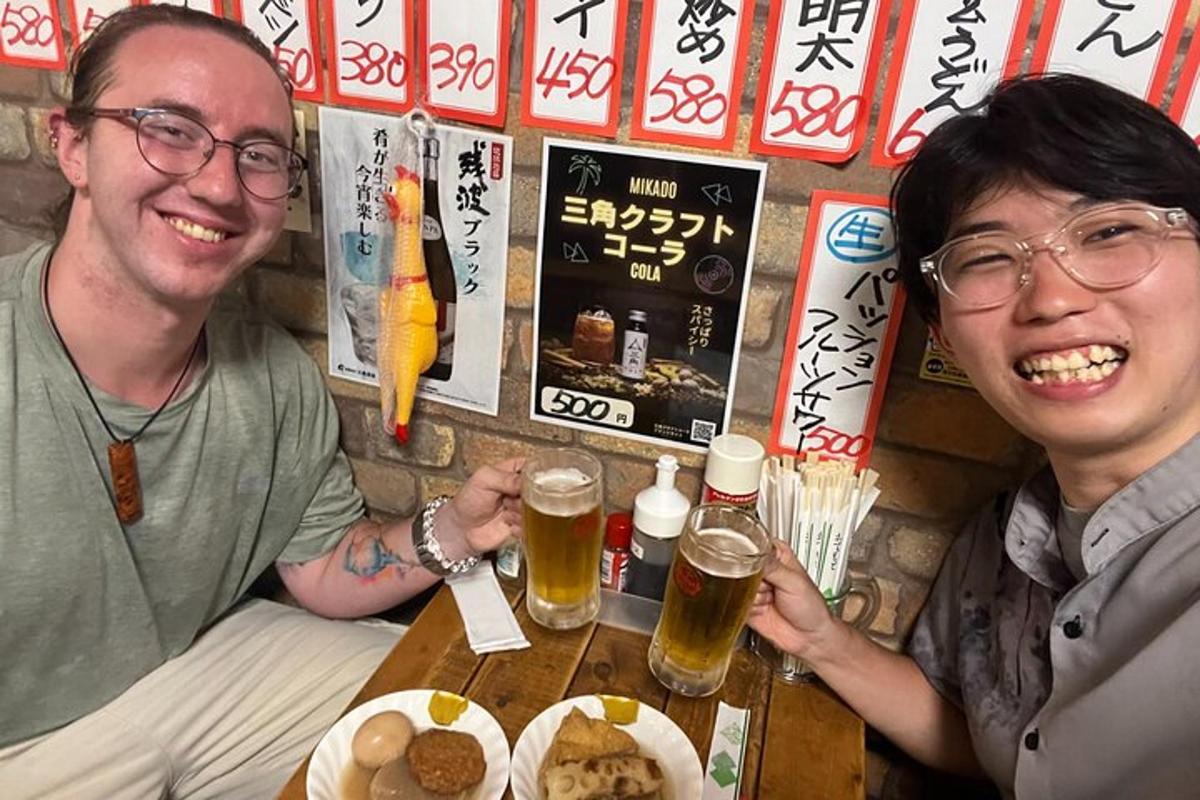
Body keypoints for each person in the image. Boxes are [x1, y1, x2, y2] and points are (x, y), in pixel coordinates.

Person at [0, 7, 522, 798]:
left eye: (258, 155)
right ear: (72, 144)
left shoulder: (270, 372)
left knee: (461, 718)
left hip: (201, 669)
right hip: (25, 748)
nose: (216, 184)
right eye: (169, 128)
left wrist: (453, 530)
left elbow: (318, 567)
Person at [749, 73, 1200, 799]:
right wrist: (820, 641)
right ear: (945, 341)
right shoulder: (1002, 542)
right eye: (989, 258)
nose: (1054, 298)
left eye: (1110, 231)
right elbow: (1006, 747)